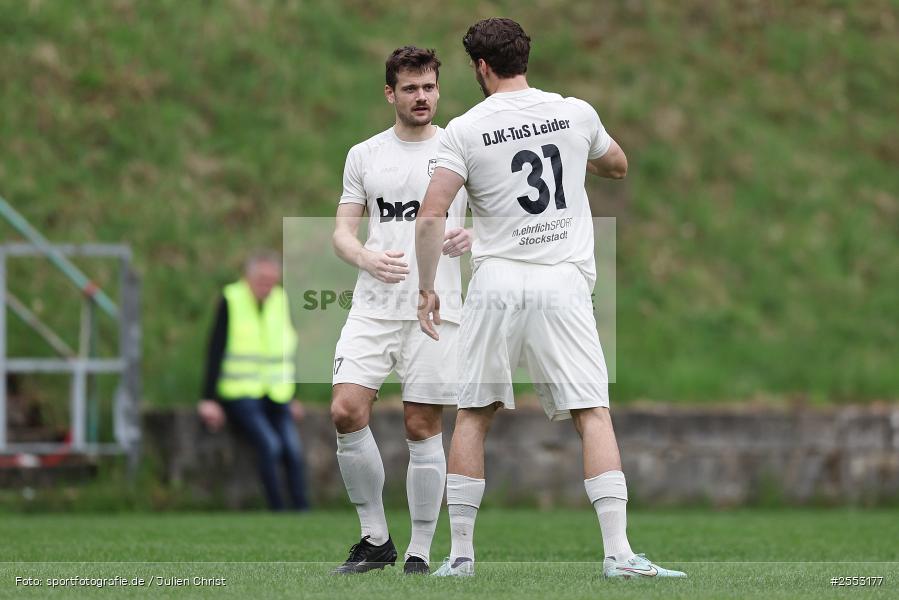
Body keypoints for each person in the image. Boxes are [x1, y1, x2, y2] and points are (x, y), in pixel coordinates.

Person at [415, 18, 686, 579]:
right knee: (592, 412)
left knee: (472, 415)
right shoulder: (575, 112)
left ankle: (460, 558)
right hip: (561, 280)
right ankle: (618, 554)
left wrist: (426, 287)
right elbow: (618, 165)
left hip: (496, 282)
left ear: (481, 68)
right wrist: (572, 154)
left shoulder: (462, 130)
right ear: (524, 59)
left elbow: (433, 212)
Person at [329, 46, 471, 575]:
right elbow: (342, 232)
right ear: (391, 93)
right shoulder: (364, 154)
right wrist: (365, 255)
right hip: (373, 307)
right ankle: (375, 537)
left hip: (435, 308)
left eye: (429, 87)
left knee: (421, 424)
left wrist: (471, 235)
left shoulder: (459, 149)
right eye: (410, 88)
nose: (422, 97)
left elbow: (502, 217)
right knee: (345, 409)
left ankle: (419, 550)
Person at [197, 251, 310, 512]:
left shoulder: (281, 299)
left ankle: (303, 511)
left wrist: (293, 395)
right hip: (240, 393)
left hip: (276, 393)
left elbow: (286, 351)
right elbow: (215, 349)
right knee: (270, 445)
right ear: (247, 277)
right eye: (261, 279)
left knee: (293, 450)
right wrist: (207, 399)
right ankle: (278, 511)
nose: (267, 286)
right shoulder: (231, 299)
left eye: (272, 280)